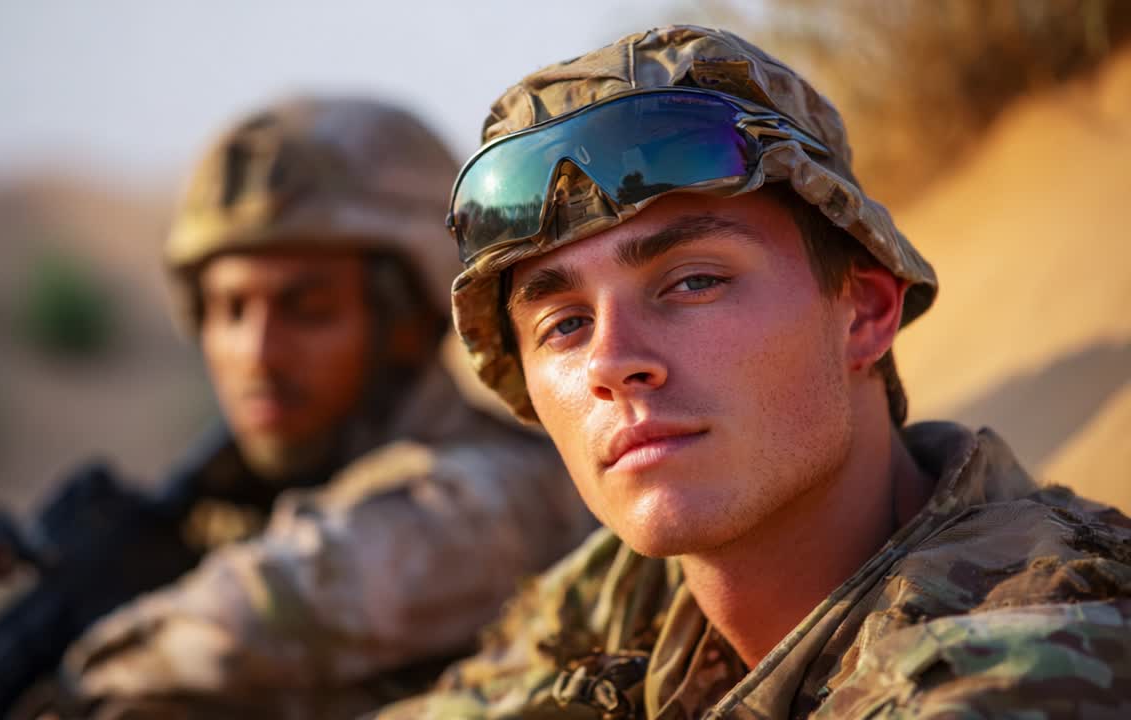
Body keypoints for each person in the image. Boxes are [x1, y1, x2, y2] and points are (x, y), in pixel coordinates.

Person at [377, 26, 1131, 719]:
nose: (610, 363)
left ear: (863, 312)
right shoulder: (625, 589)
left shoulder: (1025, 660)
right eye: (565, 326)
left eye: (693, 282)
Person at [56, 97, 596, 719]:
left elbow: (252, 623)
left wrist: (80, 674)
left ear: (406, 323)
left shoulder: (495, 493)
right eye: (229, 310)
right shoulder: (232, 506)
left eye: (307, 309)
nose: (257, 354)